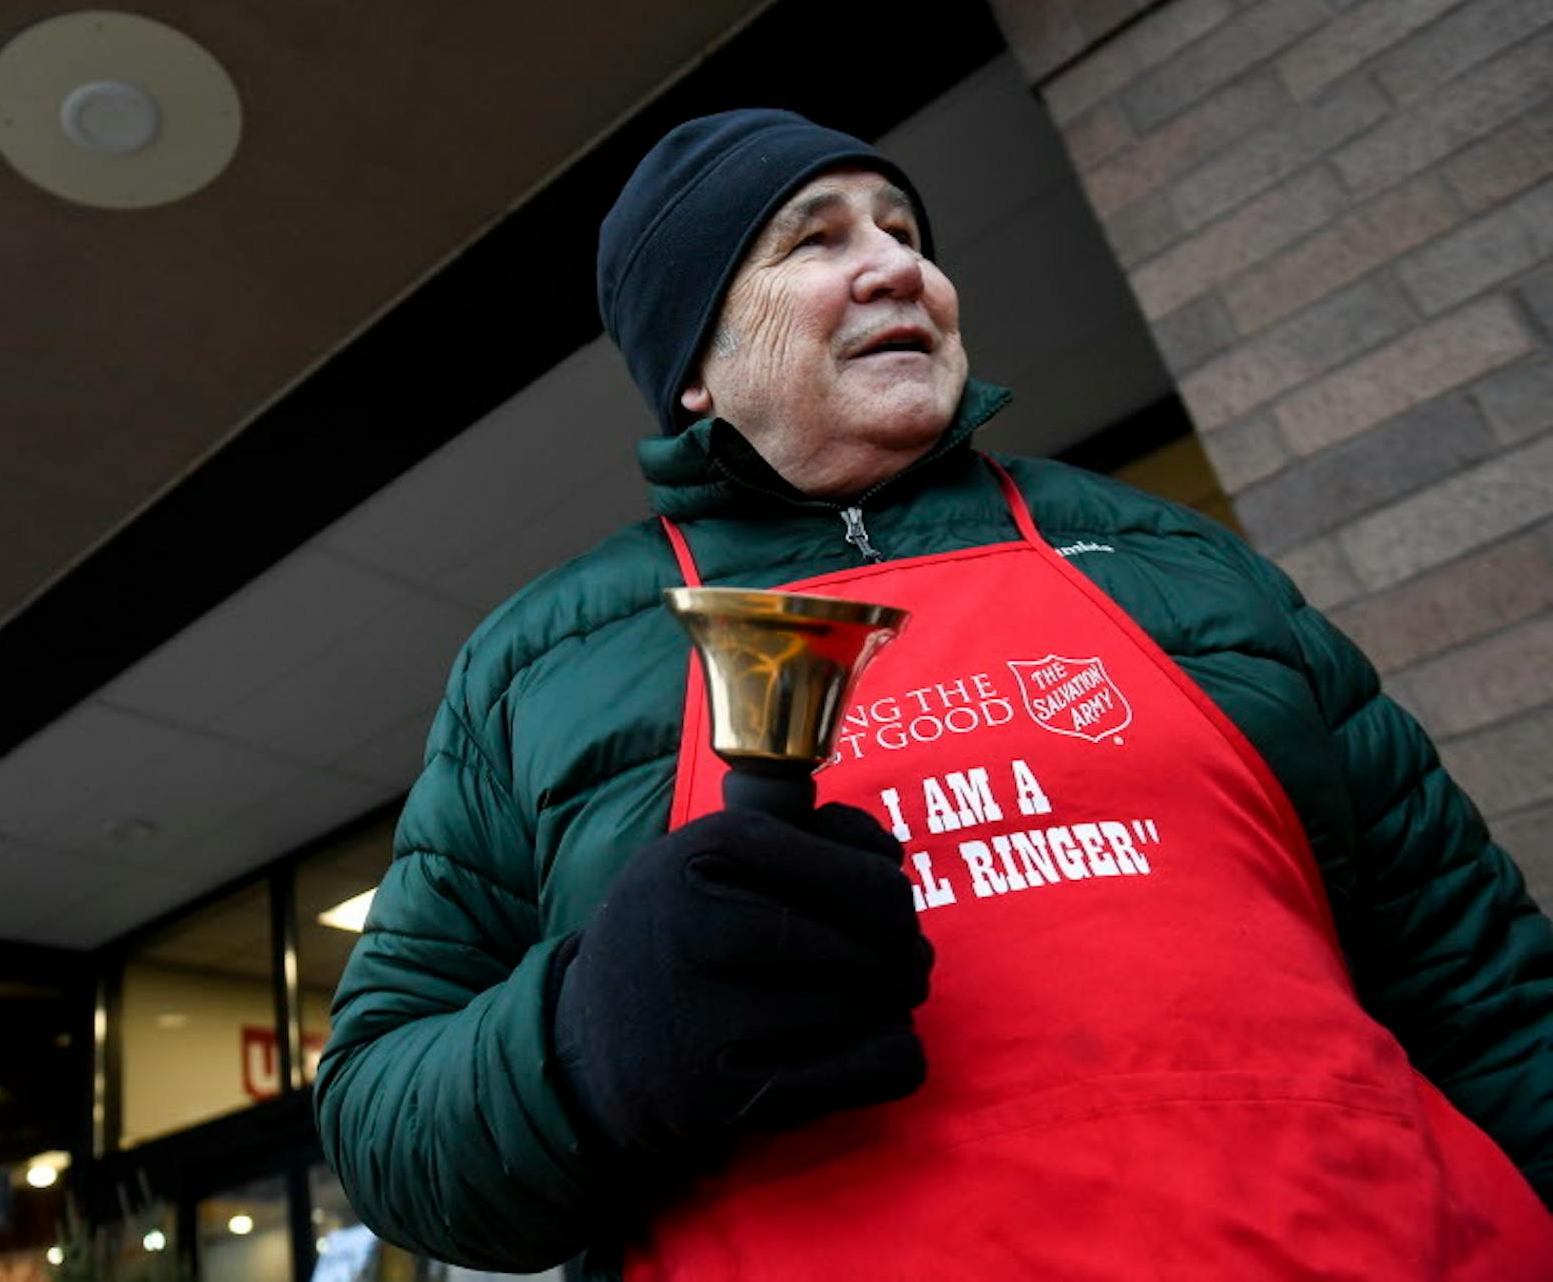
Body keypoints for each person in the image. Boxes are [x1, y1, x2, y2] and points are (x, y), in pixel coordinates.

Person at [314, 109, 1553, 1279]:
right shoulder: (536, 665)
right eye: (816, 240)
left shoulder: (1179, 560)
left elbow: (1487, 993)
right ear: (694, 363)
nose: (900, 269)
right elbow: (377, 1116)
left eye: (905, 232)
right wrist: (582, 1045)